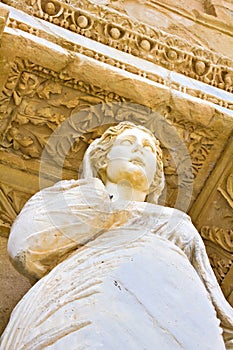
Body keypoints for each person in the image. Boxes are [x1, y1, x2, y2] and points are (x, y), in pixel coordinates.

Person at [1, 122, 233, 349]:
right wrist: (97, 204)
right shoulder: (69, 200)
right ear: (102, 159)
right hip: (76, 299)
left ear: (155, 178)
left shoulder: (177, 224)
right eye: (128, 142)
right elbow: (24, 249)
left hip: (169, 312)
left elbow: (216, 310)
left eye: (149, 149)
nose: (139, 149)